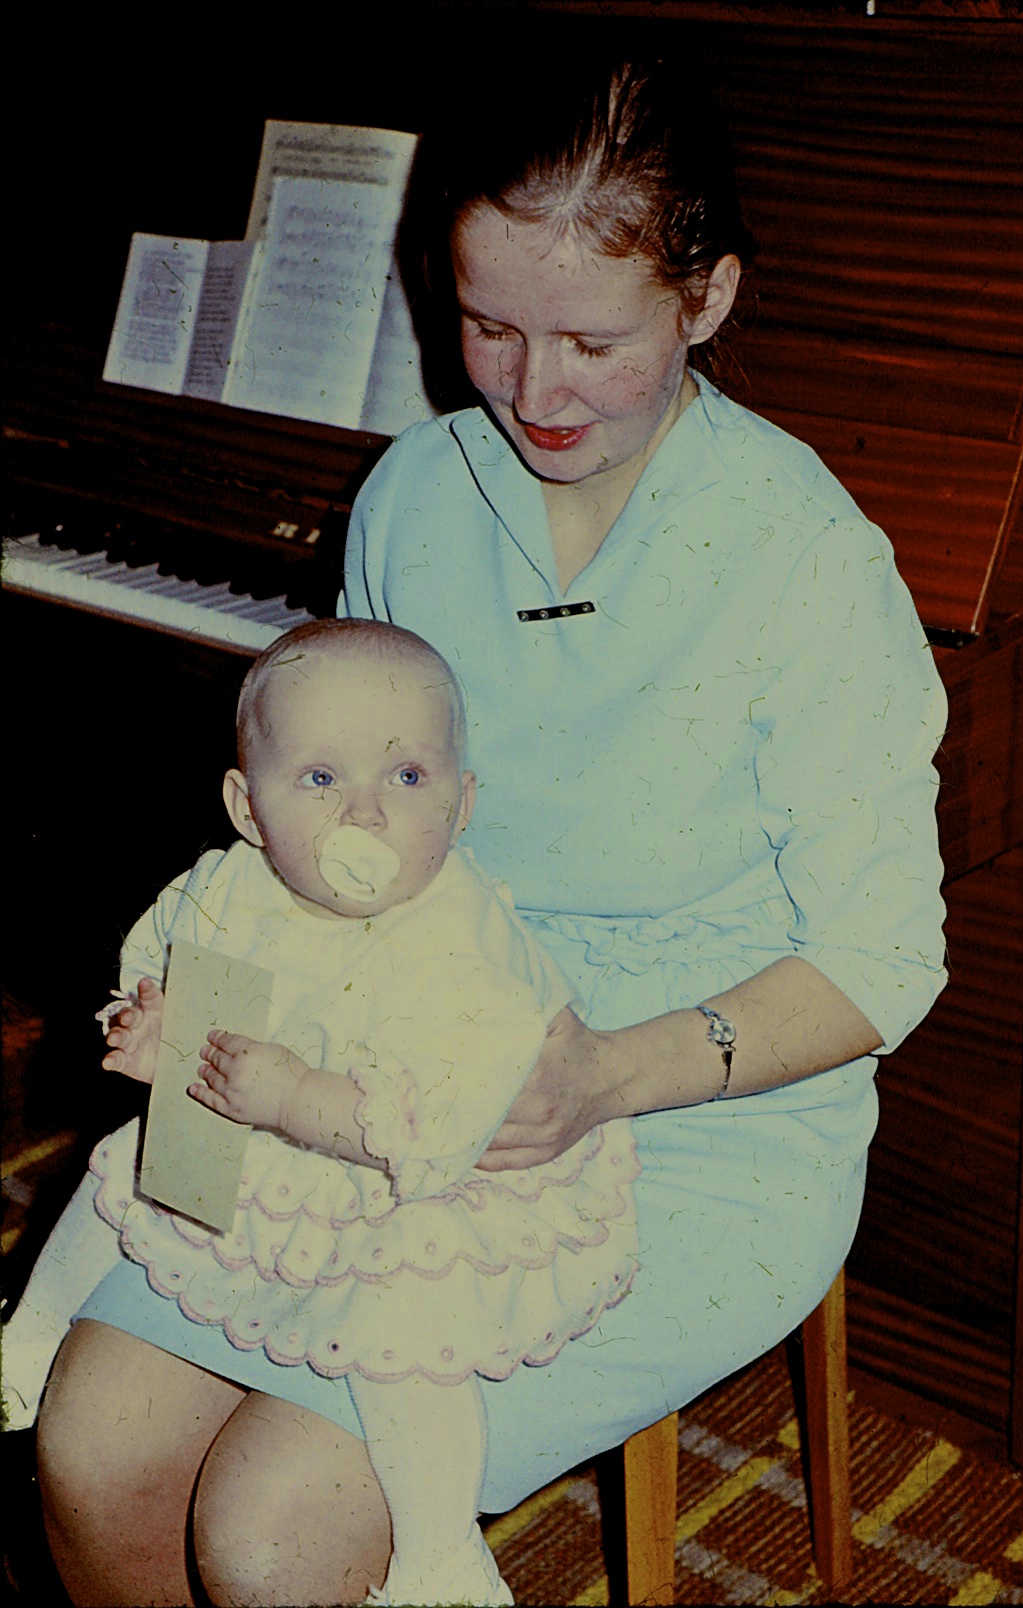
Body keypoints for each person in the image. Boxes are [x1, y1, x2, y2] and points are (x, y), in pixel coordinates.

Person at [26, 51, 947, 1608]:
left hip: (685, 1119)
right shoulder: (414, 494)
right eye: (489, 326)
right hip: (372, 1058)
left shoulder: (809, 563)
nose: (533, 393)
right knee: (89, 1446)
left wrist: (602, 1078)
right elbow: (336, 825)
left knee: (268, 1534)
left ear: (709, 298)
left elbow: (882, 962)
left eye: (594, 341)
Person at [7, 618, 637, 1606]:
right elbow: (173, 971)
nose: (366, 815)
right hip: (267, 1151)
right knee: (121, 1171)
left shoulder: (466, 945)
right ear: (247, 808)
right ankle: (30, 1335)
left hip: (415, 1185)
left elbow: (434, 1130)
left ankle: (436, 1551)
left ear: (464, 802)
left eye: (408, 777)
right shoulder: (230, 888)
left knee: (404, 1337)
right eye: (319, 779)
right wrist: (158, 1030)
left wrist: (294, 1098)